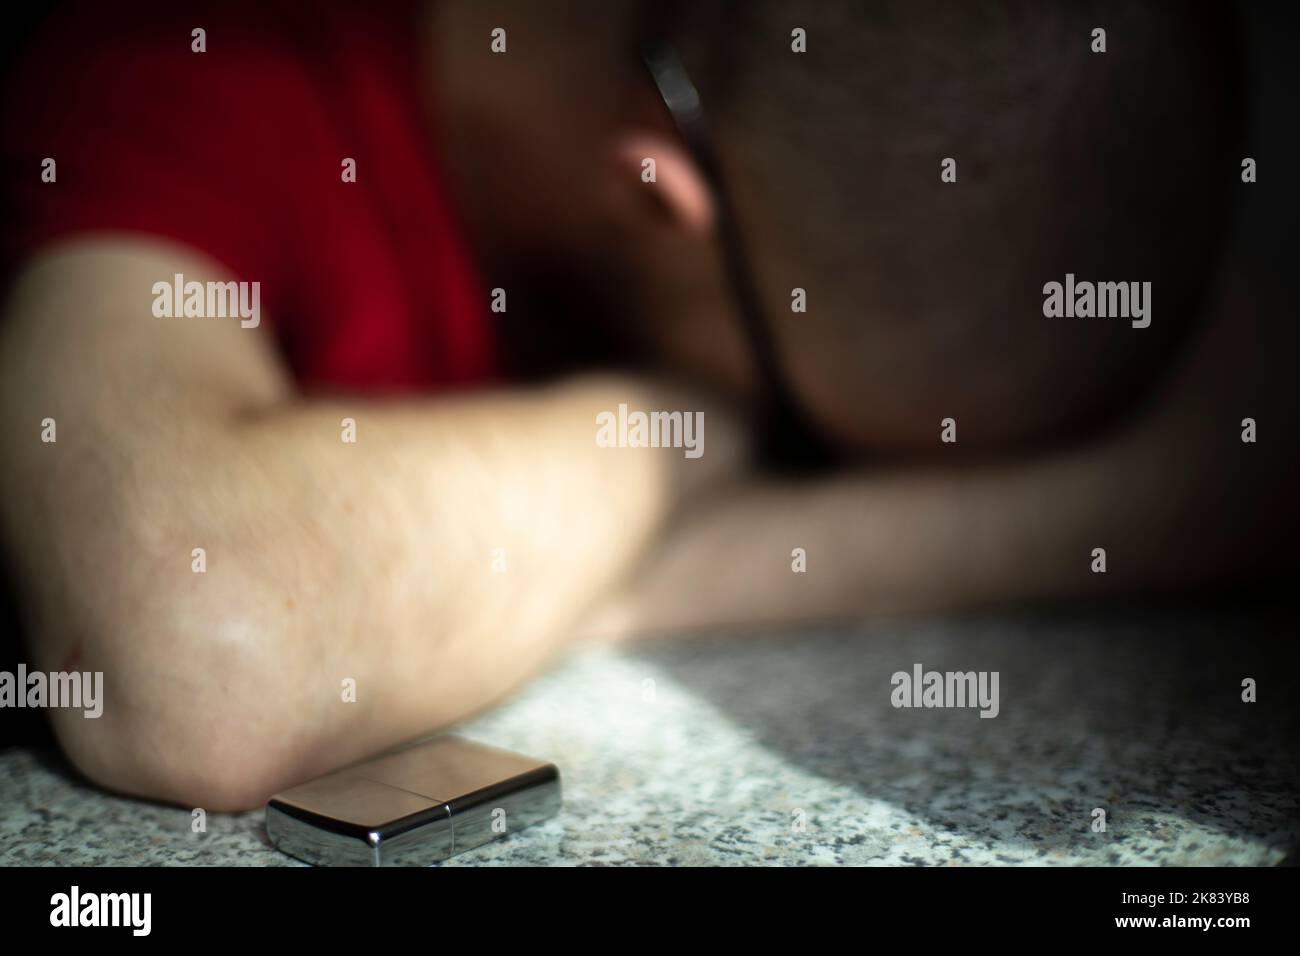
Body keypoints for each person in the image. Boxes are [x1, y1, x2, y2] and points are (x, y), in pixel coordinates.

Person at [0, 0, 1292, 811]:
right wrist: (703, 429)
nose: (817, 472)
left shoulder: (791, 229)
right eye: (811, 427)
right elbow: (195, 658)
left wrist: (606, 575)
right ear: (664, 190)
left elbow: (1256, 431)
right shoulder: (193, 61)